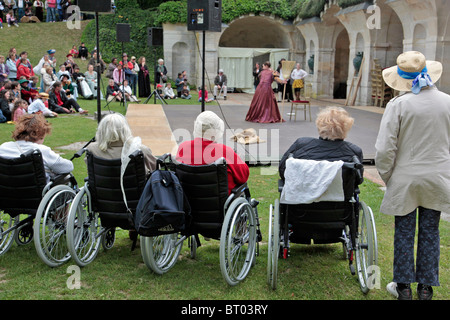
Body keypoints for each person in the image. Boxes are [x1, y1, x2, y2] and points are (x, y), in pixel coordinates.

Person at [375, 51, 450, 300]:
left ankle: (404, 285)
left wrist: (388, 176)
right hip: (438, 176)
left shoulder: (399, 105)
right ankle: (426, 287)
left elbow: (385, 148)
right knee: (431, 231)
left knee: (404, 232)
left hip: (406, 177)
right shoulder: (447, 102)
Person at [279, 106, 363, 180]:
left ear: (319, 125)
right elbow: (358, 179)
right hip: (340, 196)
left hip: (302, 195)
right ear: (346, 128)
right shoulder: (354, 151)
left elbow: (283, 169)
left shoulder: (301, 144)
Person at [176, 111, 249, 195]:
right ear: (216, 130)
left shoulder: (183, 148)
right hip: (221, 203)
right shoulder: (225, 151)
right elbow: (243, 176)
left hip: (187, 202)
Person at [0, 114, 73, 182]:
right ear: (41, 134)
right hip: (36, 193)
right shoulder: (40, 151)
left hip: (7, 191)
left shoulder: (4, 147)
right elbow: (68, 167)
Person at [86, 113, 157, 175]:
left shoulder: (92, 149)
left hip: (100, 189)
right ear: (125, 129)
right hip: (136, 189)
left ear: (101, 130)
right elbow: (155, 169)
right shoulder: (139, 150)